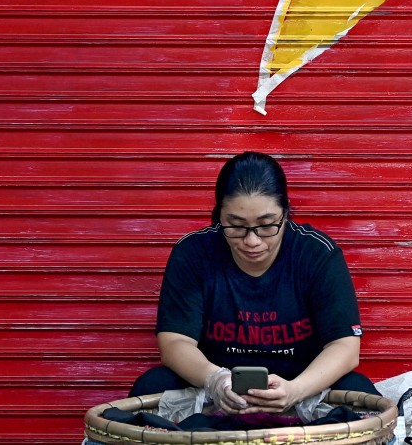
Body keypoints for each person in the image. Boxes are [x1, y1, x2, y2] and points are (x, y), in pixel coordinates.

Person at [130, 151, 376, 415]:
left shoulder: (316, 253)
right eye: (236, 226)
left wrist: (295, 390)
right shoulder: (193, 253)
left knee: (360, 393)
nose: (252, 241)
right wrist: (215, 380)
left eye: (266, 225)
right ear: (219, 215)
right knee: (152, 385)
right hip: (215, 385)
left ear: (285, 214)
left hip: (300, 381)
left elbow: (345, 347)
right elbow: (174, 342)